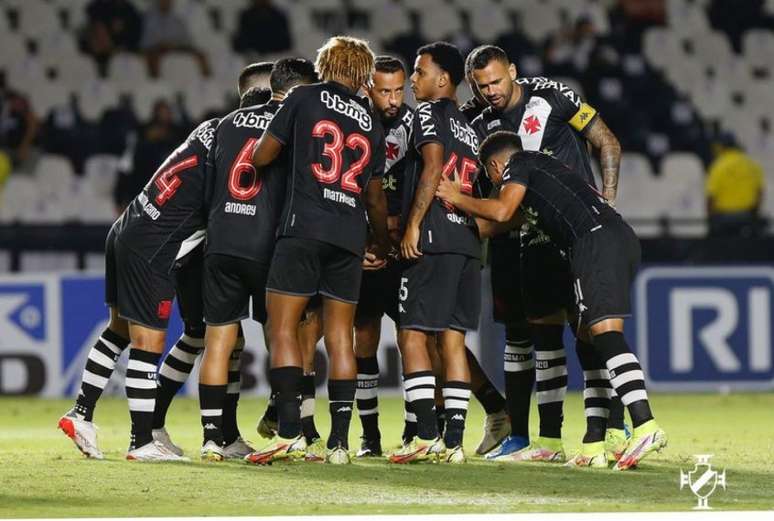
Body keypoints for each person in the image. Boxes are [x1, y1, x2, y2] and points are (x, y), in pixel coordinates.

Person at [436, 130, 667, 470]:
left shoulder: (521, 162)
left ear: (497, 166)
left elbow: (500, 210)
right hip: (610, 240)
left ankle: (645, 424)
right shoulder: (543, 179)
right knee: (591, 342)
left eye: (491, 175)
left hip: (595, 243)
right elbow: (494, 225)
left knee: (606, 337)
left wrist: (456, 195)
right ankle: (592, 445)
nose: (495, 181)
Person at [468, 45, 628, 464]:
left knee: (587, 330)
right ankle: (533, 438)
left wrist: (605, 199)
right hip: (514, 239)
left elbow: (606, 140)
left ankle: (610, 426)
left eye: (497, 81)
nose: (491, 92)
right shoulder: (477, 121)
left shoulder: (553, 96)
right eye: (482, 85)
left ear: (514, 71)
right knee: (530, 335)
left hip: (569, 234)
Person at [245, 36, 390, 465]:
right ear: (363, 74)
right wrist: (378, 242)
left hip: (303, 227)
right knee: (340, 336)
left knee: (284, 327)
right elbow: (376, 196)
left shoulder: (304, 97)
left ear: (325, 64)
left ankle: (289, 431)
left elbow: (261, 156)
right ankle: (341, 444)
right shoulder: (369, 119)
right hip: (348, 234)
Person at [58, 115, 218, 461]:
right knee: (149, 342)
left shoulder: (206, 132)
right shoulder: (234, 147)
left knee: (119, 330)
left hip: (127, 225)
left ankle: (81, 413)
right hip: (152, 246)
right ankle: (142, 440)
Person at [197, 58, 318, 462]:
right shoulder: (295, 124)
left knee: (219, 341)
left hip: (222, 241)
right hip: (267, 245)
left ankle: (214, 438)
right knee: (283, 337)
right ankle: (290, 430)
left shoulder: (226, 123)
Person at [390, 42, 480, 464]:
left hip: (433, 237)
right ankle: (454, 441)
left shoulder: (427, 114)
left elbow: (432, 166)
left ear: (442, 79)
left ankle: (425, 434)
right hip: (466, 241)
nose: (413, 79)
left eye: (420, 71)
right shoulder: (470, 127)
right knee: (453, 340)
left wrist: (412, 223)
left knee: (412, 334)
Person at [342, 55, 414, 458]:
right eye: (384, 90)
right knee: (364, 338)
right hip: (366, 248)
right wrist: (363, 244)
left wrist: (398, 228)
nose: (392, 99)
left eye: (398, 89)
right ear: (368, 89)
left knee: (413, 340)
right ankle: (369, 436)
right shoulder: (352, 123)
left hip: (401, 247)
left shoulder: (415, 125)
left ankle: (414, 428)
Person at [706, 134, 765, 238]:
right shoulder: (751, 164)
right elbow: (760, 192)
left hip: (723, 219)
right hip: (747, 216)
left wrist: (710, 219)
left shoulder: (718, 166)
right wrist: (754, 213)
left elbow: (711, 197)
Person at [140, 0, 210, 77]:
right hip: (158, 48)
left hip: (176, 46)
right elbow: (146, 41)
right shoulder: (150, 18)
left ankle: (208, 82)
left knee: (201, 55)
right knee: (152, 57)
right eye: (163, 2)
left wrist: (176, 44)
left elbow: (186, 39)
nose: (166, 3)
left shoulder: (176, 19)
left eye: (168, 2)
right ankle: (157, 84)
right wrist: (161, 44)